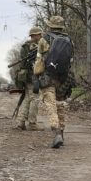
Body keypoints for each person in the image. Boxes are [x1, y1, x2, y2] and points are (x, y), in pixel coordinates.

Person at [34, 16, 74, 149]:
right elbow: (71, 61)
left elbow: (39, 62)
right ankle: (62, 133)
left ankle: (56, 133)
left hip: (48, 77)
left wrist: (37, 76)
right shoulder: (69, 40)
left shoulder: (44, 40)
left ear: (50, 26)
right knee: (60, 105)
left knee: (51, 106)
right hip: (64, 77)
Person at [15, 27, 44, 131]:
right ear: (35, 35)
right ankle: (32, 123)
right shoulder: (36, 46)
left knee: (28, 98)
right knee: (35, 98)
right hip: (33, 76)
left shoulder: (24, 46)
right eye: (39, 34)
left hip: (27, 76)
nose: (41, 36)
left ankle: (20, 122)